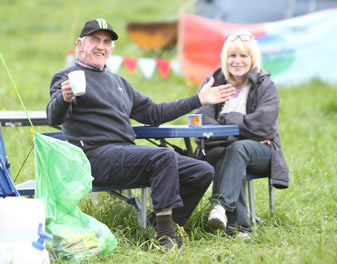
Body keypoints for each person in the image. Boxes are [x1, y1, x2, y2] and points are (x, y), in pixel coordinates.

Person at [46, 18, 235, 250]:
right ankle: (164, 237)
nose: (101, 46)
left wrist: (198, 99)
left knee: (202, 171)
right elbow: (54, 118)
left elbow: (153, 113)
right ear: (80, 44)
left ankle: (160, 220)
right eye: (94, 39)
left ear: (111, 49)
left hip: (125, 155)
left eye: (106, 42)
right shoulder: (67, 78)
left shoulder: (119, 82)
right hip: (92, 158)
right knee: (162, 157)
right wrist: (64, 99)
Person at [194, 29, 289, 237]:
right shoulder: (213, 83)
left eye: (243, 56)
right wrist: (243, 130)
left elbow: (263, 124)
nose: (237, 61)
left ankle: (221, 206)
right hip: (219, 149)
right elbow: (201, 120)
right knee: (231, 153)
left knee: (237, 149)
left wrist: (227, 122)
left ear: (252, 58)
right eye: (232, 56)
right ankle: (239, 229)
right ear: (224, 58)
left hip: (261, 152)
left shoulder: (266, 85)